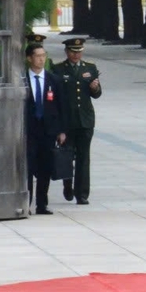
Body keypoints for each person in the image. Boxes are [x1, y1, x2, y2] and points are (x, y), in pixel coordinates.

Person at [48, 35, 102, 204]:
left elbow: (97, 94)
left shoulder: (90, 68)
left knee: (84, 157)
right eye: (73, 51)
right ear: (66, 52)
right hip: (67, 121)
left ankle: (82, 193)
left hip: (85, 120)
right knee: (66, 155)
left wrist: (95, 88)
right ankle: (67, 184)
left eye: (79, 51)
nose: (76, 55)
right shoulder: (58, 70)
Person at [23, 39, 61, 215]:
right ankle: (27, 202)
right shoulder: (22, 80)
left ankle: (42, 204)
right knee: (28, 168)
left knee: (45, 167)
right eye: (37, 56)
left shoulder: (53, 80)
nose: (41, 59)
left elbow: (62, 106)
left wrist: (62, 130)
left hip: (48, 130)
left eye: (43, 56)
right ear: (29, 58)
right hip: (29, 131)